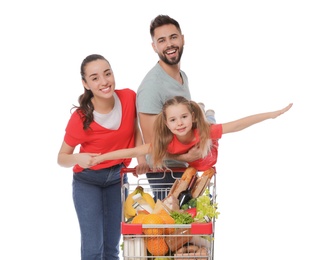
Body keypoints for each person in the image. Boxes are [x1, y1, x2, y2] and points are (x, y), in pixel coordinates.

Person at [57, 54, 144, 260]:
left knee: (112, 247)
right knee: (93, 249)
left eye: (107, 74)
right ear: (85, 84)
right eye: (95, 78)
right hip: (88, 182)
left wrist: (142, 159)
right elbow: (61, 158)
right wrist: (78, 158)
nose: (104, 82)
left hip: (117, 179)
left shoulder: (129, 97)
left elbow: (136, 128)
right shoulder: (80, 118)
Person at [90, 96, 293, 182]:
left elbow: (238, 125)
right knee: (208, 127)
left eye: (184, 117)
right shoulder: (166, 142)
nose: (179, 123)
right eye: (173, 120)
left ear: (191, 117)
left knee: (211, 124)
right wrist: (100, 158)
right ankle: (206, 112)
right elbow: (132, 152)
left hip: (209, 152)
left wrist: (272, 114)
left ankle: (206, 113)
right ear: (167, 124)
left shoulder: (202, 131)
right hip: (198, 163)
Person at [136, 14, 215, 199]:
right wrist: (185, 158)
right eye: (161, 40)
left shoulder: (182, 77)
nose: (169, 44)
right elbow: (151, 146)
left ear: (182, 39)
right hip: (164, 172)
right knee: (170, 226)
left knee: (191, 224)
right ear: (154, 46)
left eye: (173, 37)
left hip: (185, 167)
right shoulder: (151, 87)